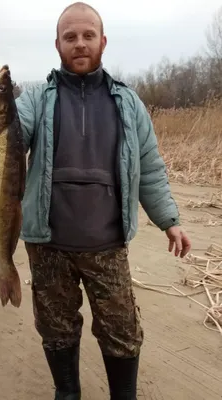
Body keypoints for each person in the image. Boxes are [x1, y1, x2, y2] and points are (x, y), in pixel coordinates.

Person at [15, 2, 191, 399]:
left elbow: (149, 167)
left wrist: (170, 220)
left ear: (103, 41)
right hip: (47, 244)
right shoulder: (34, 99)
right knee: (57, 329)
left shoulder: (128, 103)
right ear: (57, 44)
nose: (79, 44)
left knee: (122, 330)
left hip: (107, 245)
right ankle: (67, 392)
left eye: (88, 35)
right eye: (70, 37)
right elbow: (8, 140)